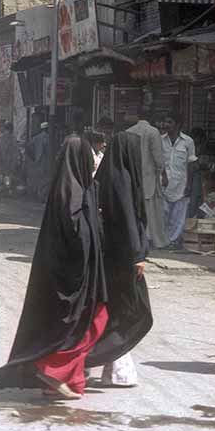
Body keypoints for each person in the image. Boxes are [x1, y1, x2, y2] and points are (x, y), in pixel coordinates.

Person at [0, 137, 109, 400]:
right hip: (73, 274)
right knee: (90, 321)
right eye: (88, 155)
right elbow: (76, 230)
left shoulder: (79, 186)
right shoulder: (72, 190)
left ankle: (63, 379)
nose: (92, 159)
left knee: (77, 324)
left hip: (75, 272)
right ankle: (52, 370)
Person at [86, 130, 153, 388]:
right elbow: (128, 220)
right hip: (123, 255)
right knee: (132, 310)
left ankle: (113, 367)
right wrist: (138, 255)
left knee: (116, 309)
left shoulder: (108, 174)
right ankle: (101, 361)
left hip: (109, 253)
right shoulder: (122, 179)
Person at [125, 111, 169, 249]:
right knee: (152, 212)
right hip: (149, 178)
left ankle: (136, 239)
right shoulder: (153, 132)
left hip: (133, 177)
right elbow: (158, 158)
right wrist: (163, 173)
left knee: (135, 210)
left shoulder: (128, 131)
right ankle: (154, 240)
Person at [160, 116, 197, 249]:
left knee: (178, 215)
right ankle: (162, 239)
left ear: (178, 124)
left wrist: (189, 185)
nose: (166, 124)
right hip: (163, 183)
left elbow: (191, 164)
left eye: (170, 122)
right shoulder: (160, 140)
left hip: (181, 183)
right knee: (162, 213)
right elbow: (158, 161)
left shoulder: (188, 141)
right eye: (165, 121)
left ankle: (172, 241)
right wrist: (163, 175)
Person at [0, 121, 19, 193]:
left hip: (5, 160)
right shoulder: (9, 137)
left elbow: (2, 150)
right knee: (5, 175)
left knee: (5, 175)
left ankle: (4, 189)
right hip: (6, 160)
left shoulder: (5, 137)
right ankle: (4, 189)